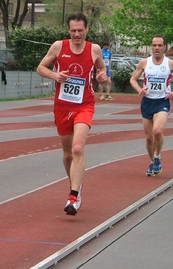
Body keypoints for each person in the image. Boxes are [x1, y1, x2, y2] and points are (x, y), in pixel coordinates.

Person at [37, 12, 107, 215]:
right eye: (73, 30)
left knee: (78, 148)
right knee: (68, 155)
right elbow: (41, 67)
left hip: (84, 105)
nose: (77, 34)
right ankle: (76, 184)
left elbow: (102, 70)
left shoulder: (94, 49)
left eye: (80, 30)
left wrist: (103, 76)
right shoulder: (59, 46)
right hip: (62, 106)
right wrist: (55, 75)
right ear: (69, 30)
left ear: (87, 29)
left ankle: (74, 196)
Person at [130, 34, 173, 177]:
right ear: (151, 47)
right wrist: (139, 90)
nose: (156, 48)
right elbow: (133, 79)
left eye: (159, 45)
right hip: (147, 102)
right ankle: (153, 161)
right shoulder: (144, 62)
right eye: (154, 45)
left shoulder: (171, 64)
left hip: (162, 101)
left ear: (164, 47)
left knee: (157, 131)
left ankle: (157, 156)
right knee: (149, 138)